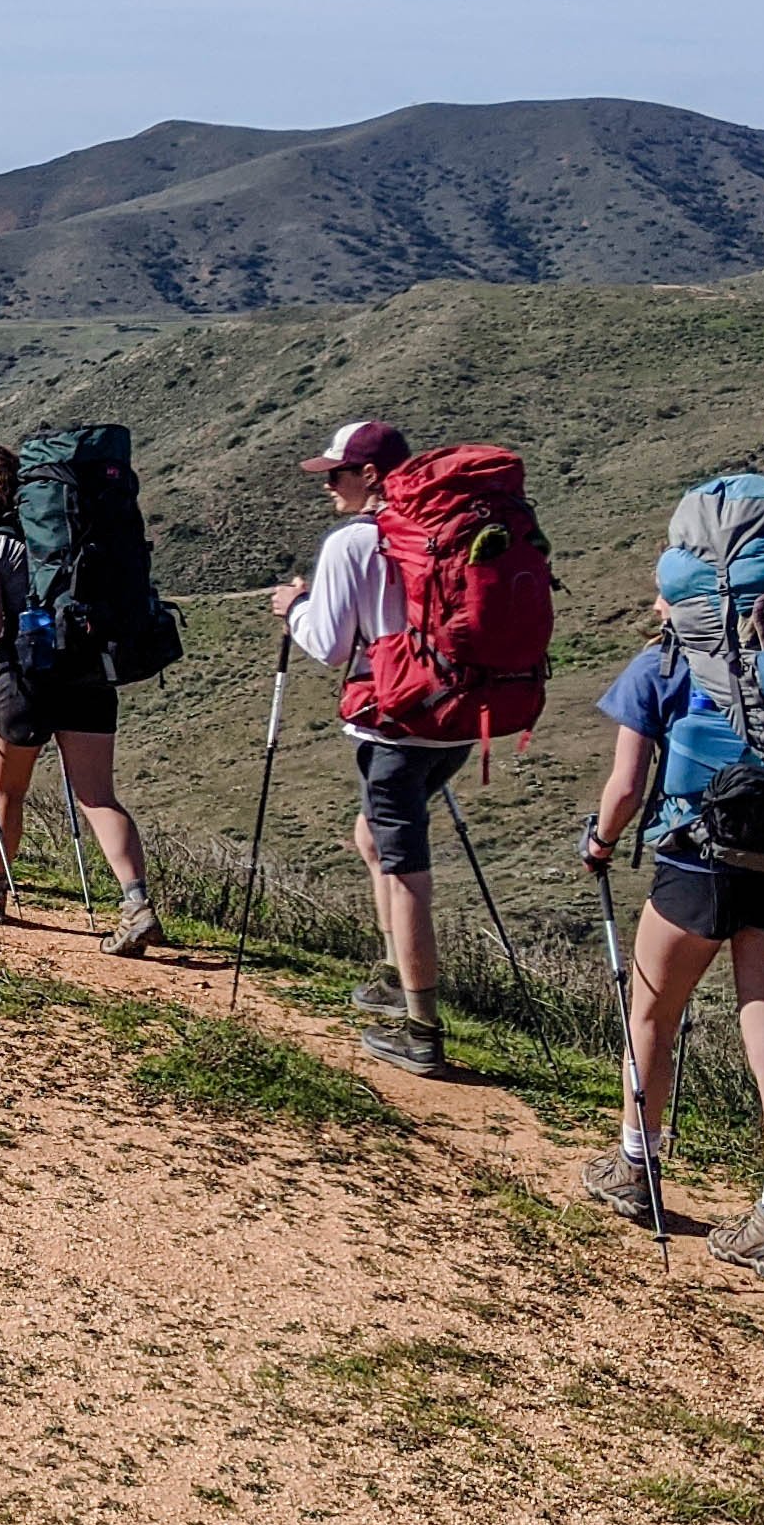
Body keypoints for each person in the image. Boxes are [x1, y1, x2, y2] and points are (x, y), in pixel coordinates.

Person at [576, 599, 764, 1282]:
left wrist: (600, 842)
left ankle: (635, 1165)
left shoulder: (665, 662)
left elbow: (626, 787)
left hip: (695, 867)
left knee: (652, 1013)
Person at [266, 419, 462, 1076]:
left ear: (369, 476)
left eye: (336, 475)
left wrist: (294, 606)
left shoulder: (354, 541)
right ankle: (389, 972)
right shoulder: (446, 529)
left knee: (405, 869)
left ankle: (420, 1027)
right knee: (372, 837)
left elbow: (327, 644)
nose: (328, 487)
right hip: (460, 717)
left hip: (396, 722)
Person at [0, 439, 159, 953]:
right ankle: (136, 902)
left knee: (6, 791)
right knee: (98, 796)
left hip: (26, 681)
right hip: (90, 673)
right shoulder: (72, 536)